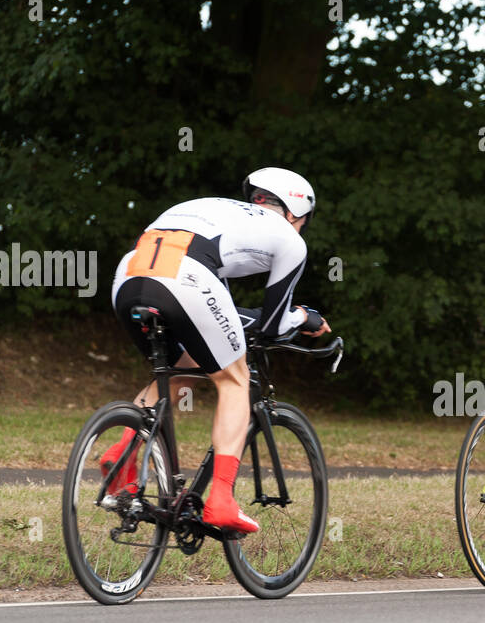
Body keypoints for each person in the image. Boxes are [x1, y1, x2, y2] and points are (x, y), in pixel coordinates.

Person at [102, 167, 331, 534]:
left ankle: (122, 449)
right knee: (235, 379)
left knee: (182, 369)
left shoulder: (213, 209)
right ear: (296, 213)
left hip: (128, 277)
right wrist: (304, 316)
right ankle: (221, 499)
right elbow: (272, 324)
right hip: (185, 277)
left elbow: (218, 310)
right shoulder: (290, 239)